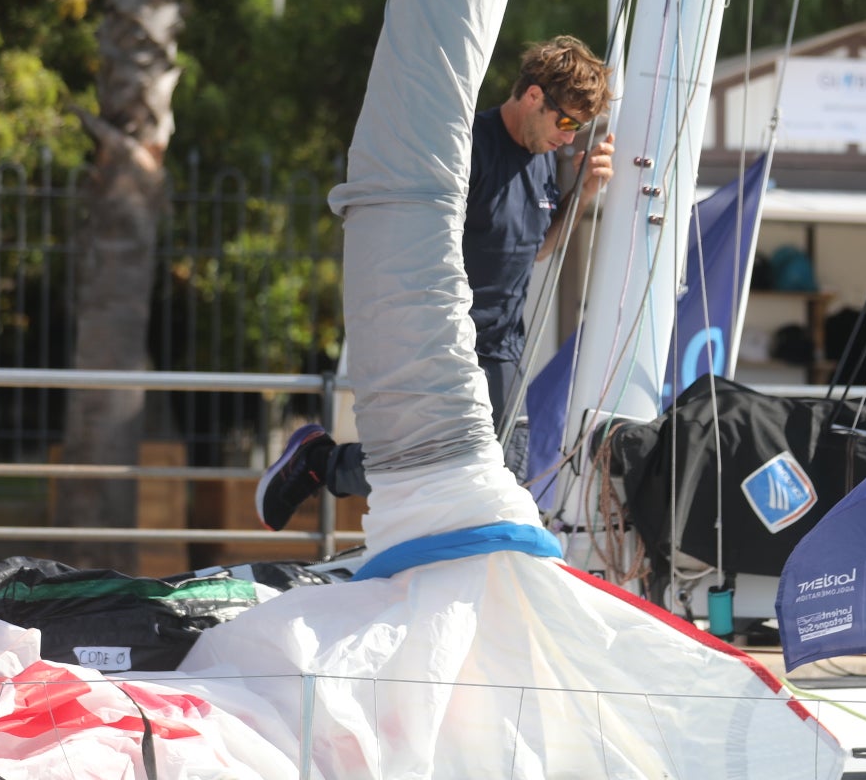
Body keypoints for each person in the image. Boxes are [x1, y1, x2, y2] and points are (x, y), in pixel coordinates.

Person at [257, 36, 615, 532]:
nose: (570, 140)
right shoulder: (467, 147)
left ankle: (473, 568)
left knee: (505, 475)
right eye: (568, 123)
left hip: (503, 348)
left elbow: (534, 249)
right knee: (428, 466)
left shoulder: (542, 159)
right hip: (444, 339)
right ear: (534, 96)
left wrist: (583, 194)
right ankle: (321, 462)